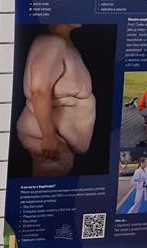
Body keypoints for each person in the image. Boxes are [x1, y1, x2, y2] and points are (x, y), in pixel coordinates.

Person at [16, 24, 96, 177]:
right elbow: (39, 91)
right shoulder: (51, 43)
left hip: (59, 143)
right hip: (47, 139)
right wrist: (48, 136)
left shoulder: (64, 45)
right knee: (45, 186)